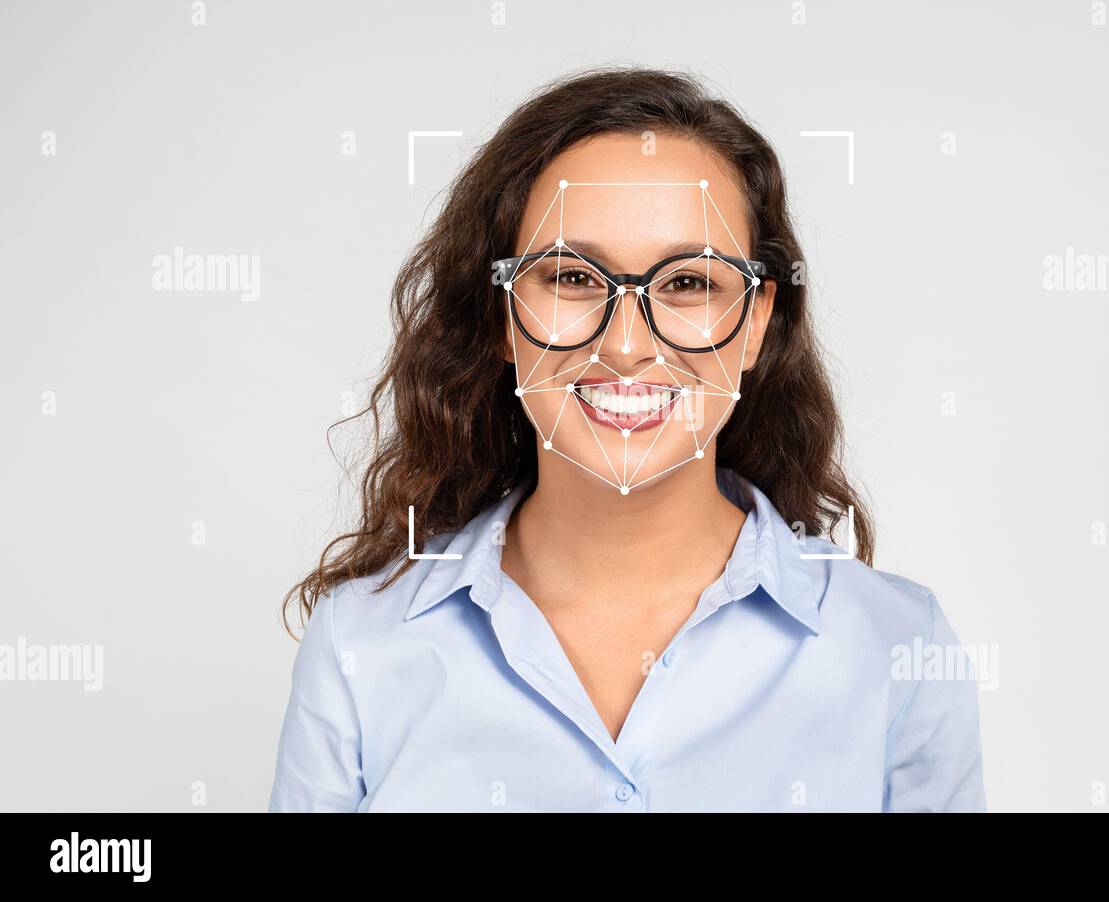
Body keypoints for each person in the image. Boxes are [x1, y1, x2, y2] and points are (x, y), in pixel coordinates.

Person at [268, 66, 986, 812]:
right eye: (572, 278)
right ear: (500, 318)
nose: (626, 346)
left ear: (758, 321)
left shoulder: (900, 650)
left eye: (689, 284)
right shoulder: (360, 650)